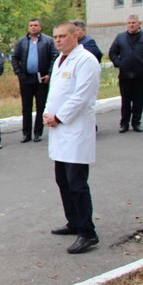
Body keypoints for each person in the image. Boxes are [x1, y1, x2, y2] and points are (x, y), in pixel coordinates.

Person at [43, 22, 101, 255]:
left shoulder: (86, 60)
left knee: (77, 184)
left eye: (63, 36)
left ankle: (88, 232)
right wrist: (48, 114)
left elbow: (82, 96)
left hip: (75, 129)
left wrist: (59, 116)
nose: (58, 40)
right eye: (55, 36)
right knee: (63, 180)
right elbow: (55, 92)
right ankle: (74, 221)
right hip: (59, 129)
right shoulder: (60, 60)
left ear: (75, 36)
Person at [11, 18, 58, 143]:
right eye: (31, 25)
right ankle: (26, 134)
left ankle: (38, 132)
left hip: (41, 78)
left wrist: (49, 74)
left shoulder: (48, 41)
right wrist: (18, 72)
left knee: (40, 106)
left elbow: (55, 57)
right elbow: (14, 58)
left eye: (35, 25)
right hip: (26, 78)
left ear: (40, 27)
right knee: (26, 107)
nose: (33, 27)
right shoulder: (21, 41)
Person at [108, 15, 143, 133]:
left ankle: (136, 123)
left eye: (133, 23)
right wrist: (118, 63)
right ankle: (124, 123)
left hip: (140, 74)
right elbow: (112, 52)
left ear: (139, 23)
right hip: (125, 75)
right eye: (129, 23)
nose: (131, 25)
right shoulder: (120, 37)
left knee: (138, 100)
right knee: (126, 100)